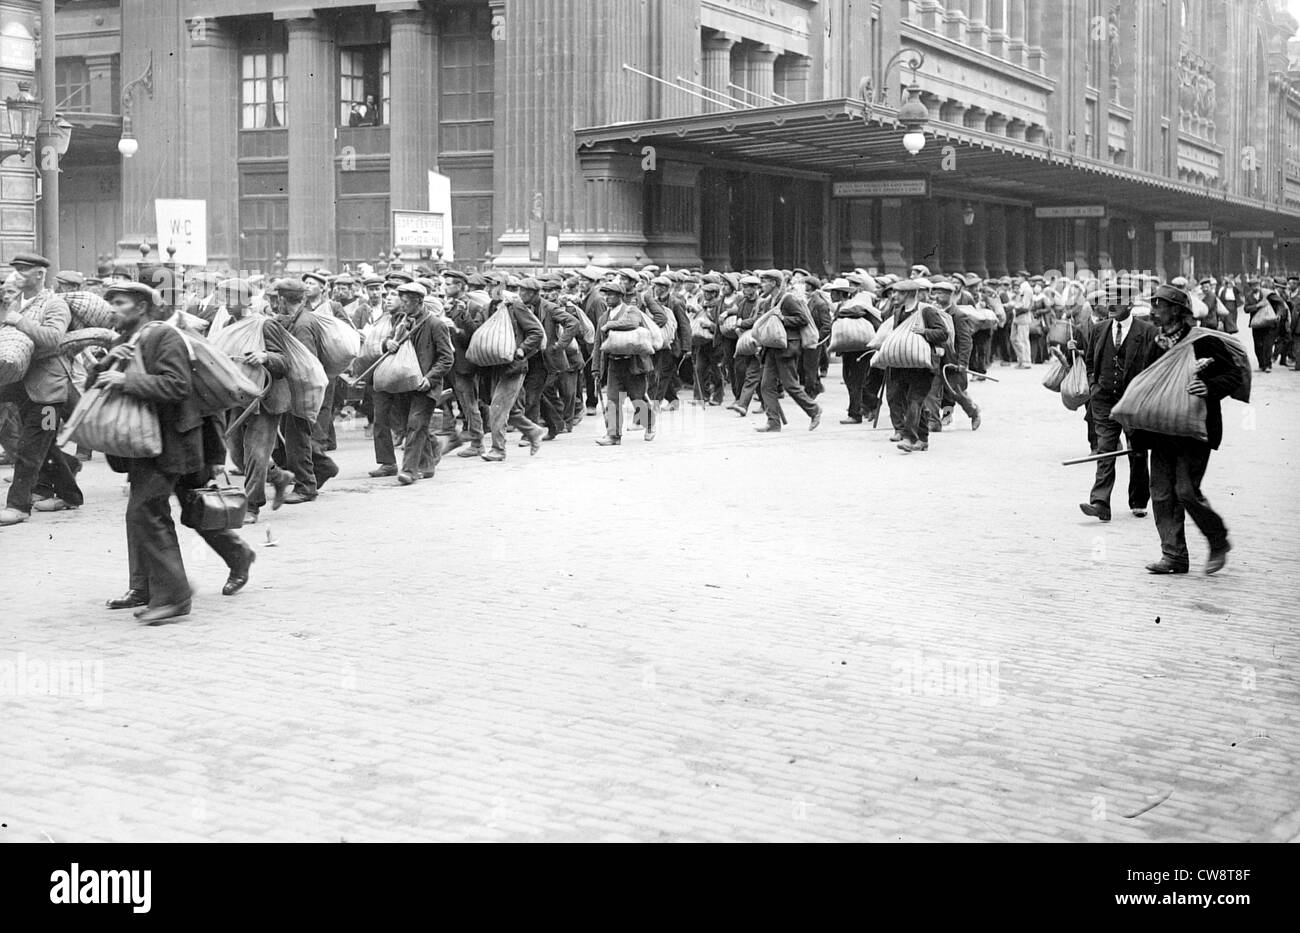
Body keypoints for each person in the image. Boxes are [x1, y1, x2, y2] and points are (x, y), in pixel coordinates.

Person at [93, 282, 256, 624]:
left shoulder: (164, 337)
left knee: (149, 511)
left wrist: (127, 381)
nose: (111, 309)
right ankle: (146, 587)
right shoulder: (122, 341)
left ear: (141, 307)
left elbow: (177, 386)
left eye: (119, 302)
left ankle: (175, 596)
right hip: (146, 442)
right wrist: (110, 362)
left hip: (175, 441)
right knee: (167, 511)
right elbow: (97, 384)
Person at [1140, 285, 1244, 575]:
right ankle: (1173, 556)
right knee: (1161, 494)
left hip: (1195, 431)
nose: (1153, 310)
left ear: (1176, 310)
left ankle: (1218, 539)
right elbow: (1144, 384)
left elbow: (1233, 374)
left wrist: (1208, 387)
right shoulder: (1156, 343)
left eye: (1159, 305)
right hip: (1162, 432)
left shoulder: (1203, 341)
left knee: (1185, 491)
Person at [0, 253, 83, 527]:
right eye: (16, 270)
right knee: (42, 445)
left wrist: (17, 321)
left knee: (32, 446)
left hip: (50, 391)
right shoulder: (15, 302)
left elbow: (53, 338)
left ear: (39, 274)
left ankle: (18, 506)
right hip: (21, 387)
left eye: (23, 270)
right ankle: (68, 491)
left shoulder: (54, 304)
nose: (16, 275)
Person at [1076, 279, 1157, 523]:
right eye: (1109, 299)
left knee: (1138, 451)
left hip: (1134, 403)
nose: (1111, 304)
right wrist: (1094, 385)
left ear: (1130, 303)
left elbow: (1154, 368)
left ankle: (1139, 500)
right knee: (1105, 450)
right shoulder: (1100, 329)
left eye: (1118, 301)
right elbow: (1091, 361)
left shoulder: (1147, 332)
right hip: (1104, 401)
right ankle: (1100, 503)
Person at [213, 278, 293, 523]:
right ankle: (279, 478)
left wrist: (265, 356)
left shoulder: (265, 325)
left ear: (245, 299)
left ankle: (252, 506)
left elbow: (285, 362)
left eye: (230, 297)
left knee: (256, 453)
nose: (225, 303)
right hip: (239, 398)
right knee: (237, 455)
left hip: (265, 399)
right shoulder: (228, 324)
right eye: (223, 297)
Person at [271, 278, 338, 503]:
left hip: (303, 388)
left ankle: (306, 487)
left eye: (276, 298)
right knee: (294, 436)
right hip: (300, 387)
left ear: (282, 299)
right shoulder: (299, 318)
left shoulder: (303, 324)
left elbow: (305, 361)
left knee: (296, 438)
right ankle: (324, 467)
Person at [383, 282, 454, 485]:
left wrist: (430, 378)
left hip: (425, 386)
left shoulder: (435, 325)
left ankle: (409, 470)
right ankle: (428, 464)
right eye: (401, 301)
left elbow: (446, 358)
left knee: (415, 424)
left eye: (406, 302)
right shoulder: (401, 321)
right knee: (412, 426)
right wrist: (388, 343)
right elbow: (387, 343)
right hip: (404, 383)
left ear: (419, 302)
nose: (402, 305)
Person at [479, 276, 545, 461]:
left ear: (503, 287)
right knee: (508, 408)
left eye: (494, 285)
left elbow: (536, 332)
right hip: (493, 366)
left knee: (498, 408)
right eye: (489, 285)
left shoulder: (514, 306)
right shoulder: (488, 307)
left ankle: (498, 450)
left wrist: (522, 349)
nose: (490, 288)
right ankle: (533, 431)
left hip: (513, 367)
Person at [754, 269, 822, 434]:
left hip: (786, 348)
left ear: (774, 283)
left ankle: (814, 410)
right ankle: (773, 422)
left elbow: (802, 319)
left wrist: (783, 319)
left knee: (790, 385)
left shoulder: (788, 299)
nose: (761, 285)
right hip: (771, 348)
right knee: (766, 386)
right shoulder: (768, 301)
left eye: (764, 281)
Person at [883, 278, 946, 453]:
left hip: (923, 366)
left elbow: (943, 333)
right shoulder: (898, 312)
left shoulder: (926, 312)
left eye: (897, 292)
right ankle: (923, 440)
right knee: (915, 402)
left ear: (909, 294)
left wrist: (924, 332)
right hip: (903, 365)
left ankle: (909, 438)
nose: (893, 295)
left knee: (915, 400)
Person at [593, 281, 655, 445]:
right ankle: (614, 436)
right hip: (614, 364)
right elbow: (598, 345)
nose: (607, 298)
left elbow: (632, 323)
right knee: (613, 400)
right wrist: (596, 369)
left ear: (620, 296)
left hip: (633, 364)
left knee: (637, 399)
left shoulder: (631, 310)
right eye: (605, 294)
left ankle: (649, 424)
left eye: (611, 294)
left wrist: (611, 325)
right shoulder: (602, 318)